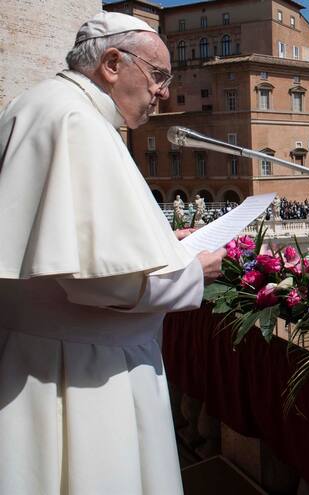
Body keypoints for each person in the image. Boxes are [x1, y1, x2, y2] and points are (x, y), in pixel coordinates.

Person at [0, 12, 225, 494]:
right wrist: (192, 269)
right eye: (159, 76)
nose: (163, 92)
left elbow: (82, 243)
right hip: (82, 376)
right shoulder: (78, 121)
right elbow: (97, 280)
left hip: (44, 354)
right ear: (110, 63)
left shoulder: (37, 104)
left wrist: (164, 246)